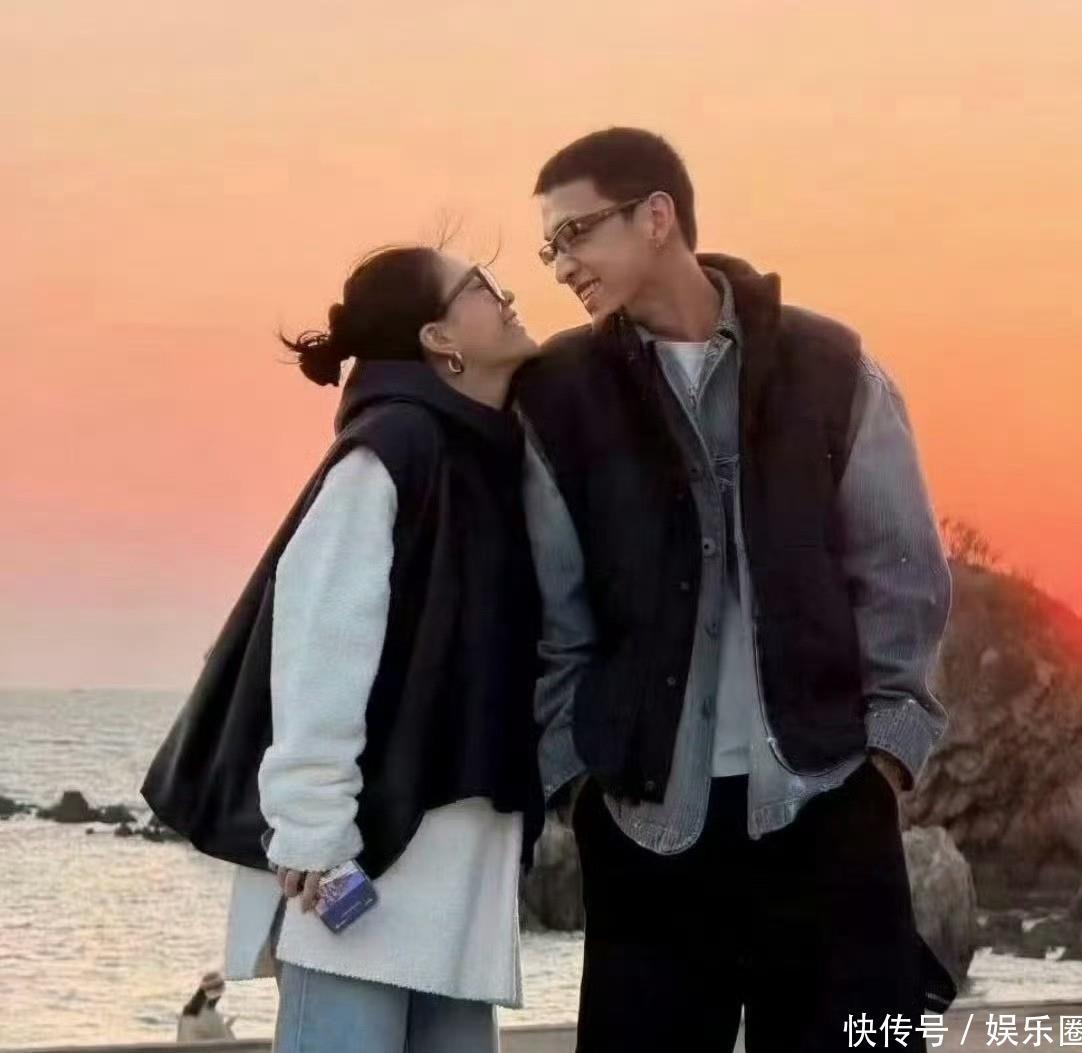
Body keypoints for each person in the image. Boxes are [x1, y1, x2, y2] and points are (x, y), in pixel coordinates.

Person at [515, 128, 954, 1052]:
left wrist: (882, 762)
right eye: (550, 246)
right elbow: (556, 617)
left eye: (576, 233)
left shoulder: (830, 365)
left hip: (826, 801)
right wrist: (578, 786)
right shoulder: (558, 392)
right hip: (644, 824)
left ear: (657, 217)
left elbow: (901, 573)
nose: (560, 265)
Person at [144, 245, 545, 1053]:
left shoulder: (487, 454)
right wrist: (313, 832)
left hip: (452, 876)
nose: (505, 296)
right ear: (438, 338)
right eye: (480, 285)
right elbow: (320, 634)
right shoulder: (392, 446)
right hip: (362, 870)